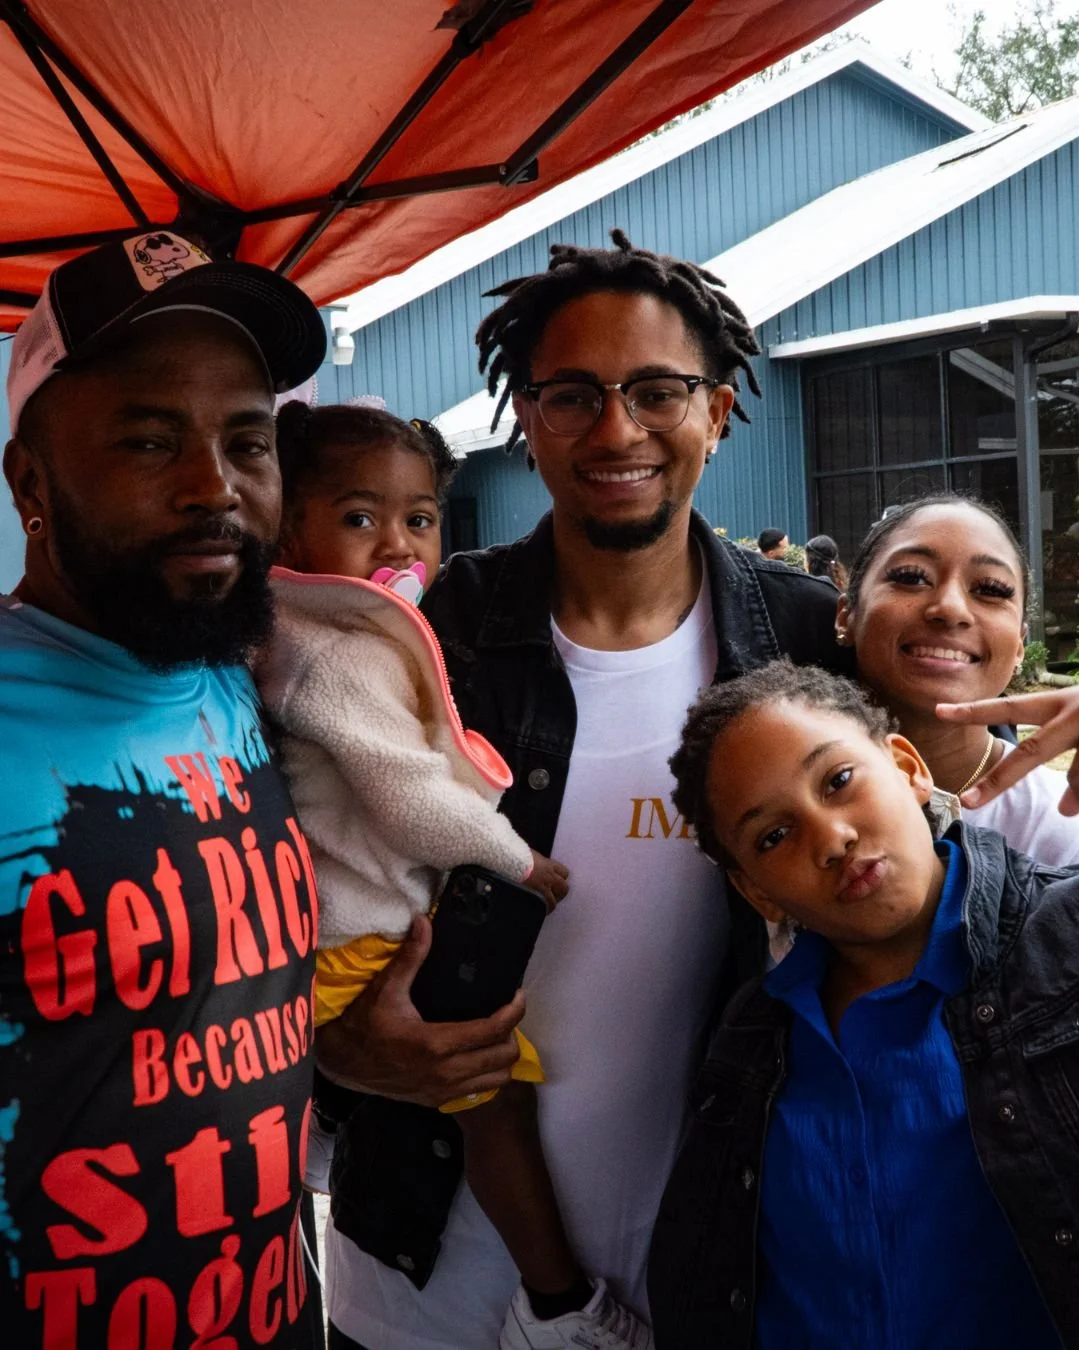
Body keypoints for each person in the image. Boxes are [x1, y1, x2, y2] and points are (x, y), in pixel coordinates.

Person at [315, 230, 848, 1350]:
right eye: (572, 396)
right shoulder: (428, 632)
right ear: (527, 418)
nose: (616, 431)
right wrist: (335, 1050)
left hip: (706, 1262)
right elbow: (265, 871)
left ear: (719, 409)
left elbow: (927, 864)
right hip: (420, 1274)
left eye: (657, 391)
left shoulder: (805, 639)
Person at [256, 402, 647, 1347]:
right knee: (495, 1095)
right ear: (289, 528)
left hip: (359, 925)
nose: (399, 543)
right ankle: (561, 1308)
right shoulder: (335, 652)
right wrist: (517, 859)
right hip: (361, 937)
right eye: (360, 517)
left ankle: (317, 1133)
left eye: (420, 518)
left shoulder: (339, 629)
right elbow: (406, 796)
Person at [0, 234, 328, 1347]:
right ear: (30, 483)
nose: (214, 488)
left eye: (249, 441)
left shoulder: (233, 669)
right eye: (149, 441)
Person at [649, 658, 1076, 1348]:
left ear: (907, 767)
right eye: (773, 836)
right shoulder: (750, 1043)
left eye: (839, 781)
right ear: (756, 892)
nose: (831, 839)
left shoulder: (1066, 941)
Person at [836, 495, 1079, 866]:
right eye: (912, 577)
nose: (950, 608)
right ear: (846, 616)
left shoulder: (1063, 826)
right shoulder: (784, 799)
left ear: (1019, 645)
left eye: (991, 589)